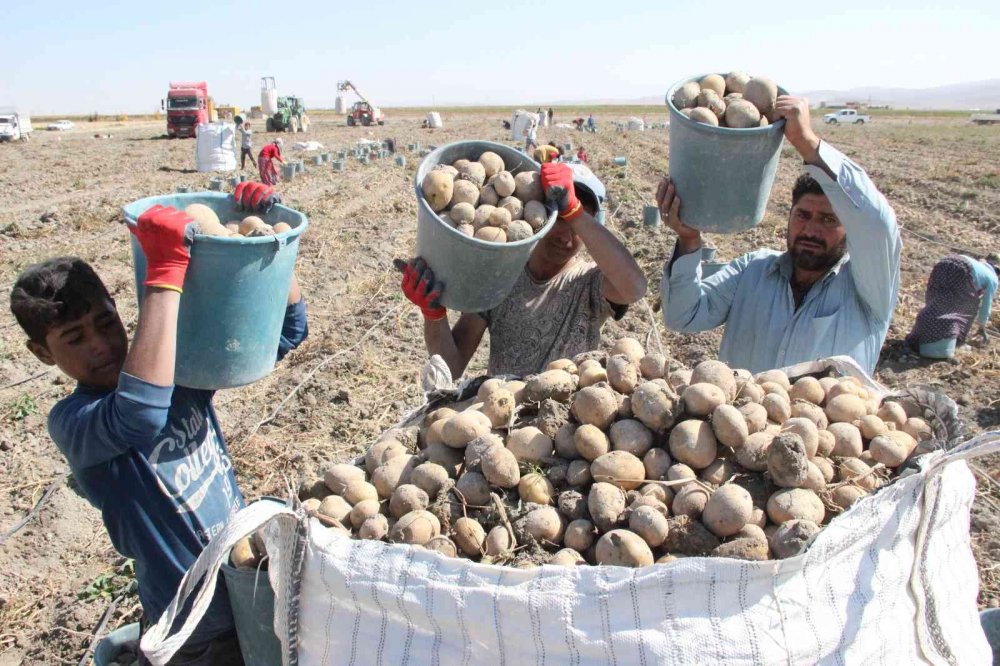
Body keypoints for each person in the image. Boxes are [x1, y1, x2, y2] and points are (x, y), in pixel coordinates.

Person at [8, 193, 308, 666]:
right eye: (74, 339)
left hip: (247, 588)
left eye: (106, 323)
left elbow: (285, 334)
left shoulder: (176, 370)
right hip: (191, 627)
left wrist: (267, 241)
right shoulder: (75, 422)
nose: (102, 345)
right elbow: (140, 413)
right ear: (42, 354)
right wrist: (165, 278)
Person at [657, 95, 901, 375]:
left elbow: (878, 224)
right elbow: (683, 316)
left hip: (825, 421)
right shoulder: (753, 271)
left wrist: (807, 143)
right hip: (743, 416)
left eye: (828, 219)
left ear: (851, 229)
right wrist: (689, 240)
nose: (811, 230)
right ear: (789, 215)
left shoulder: (868, 291)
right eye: (802, 215)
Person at [402, 162, 647, 378]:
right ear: (537, 211)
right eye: (560, 218)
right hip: (504, 417)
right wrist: (433, 315)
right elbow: (452, 367)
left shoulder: (590, 281)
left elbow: (635, 288)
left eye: (579, 223)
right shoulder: (501, 277)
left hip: (567, 423)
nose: (567, 237)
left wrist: (575, 213)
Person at [905, 254, 998, 358]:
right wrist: (982, 326)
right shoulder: (993, 278)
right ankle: (946, 341)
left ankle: (918, 338)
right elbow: (986, 304)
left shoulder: (978, 265)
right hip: (962, 270)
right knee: (963, 308)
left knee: (935, 304)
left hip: (944, 263)